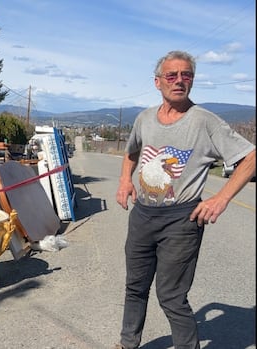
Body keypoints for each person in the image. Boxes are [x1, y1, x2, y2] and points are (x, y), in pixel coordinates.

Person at [114, 50, 256, 349]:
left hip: (181, 220)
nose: (179, 80)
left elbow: (251, 157)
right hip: (142, 215)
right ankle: (128, 343)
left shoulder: (205, 122)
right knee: (135, 287)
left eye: (186, 75)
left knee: (171, 296)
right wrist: (126, 179)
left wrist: (221, 198)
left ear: (192, 81)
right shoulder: (144, 118)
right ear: (158, 82)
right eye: (172, 75)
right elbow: (132, 151)